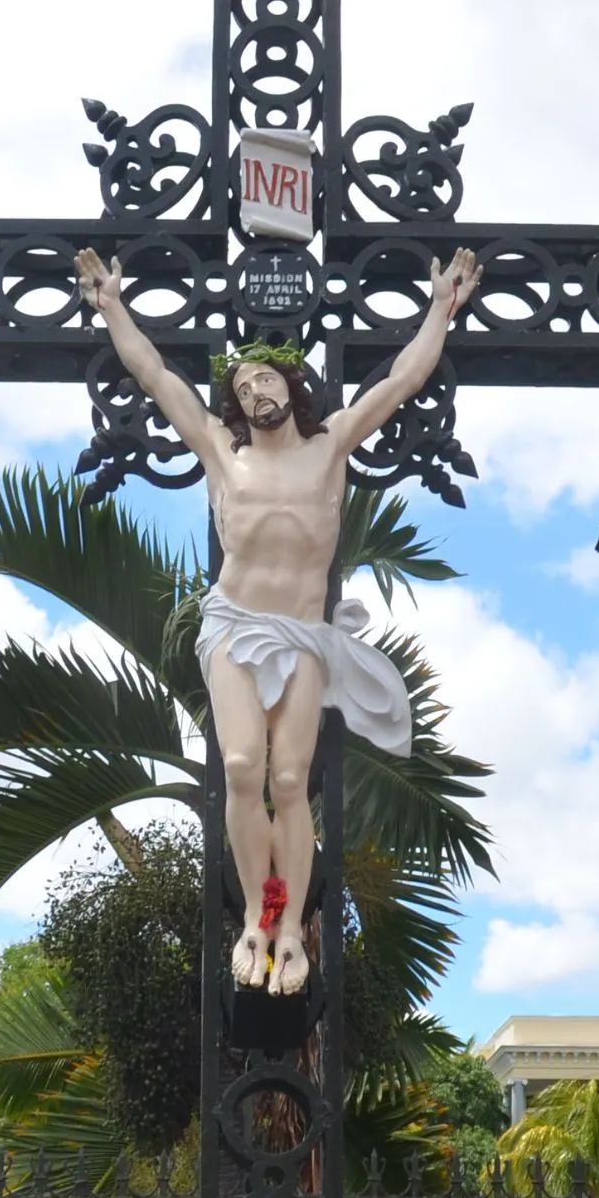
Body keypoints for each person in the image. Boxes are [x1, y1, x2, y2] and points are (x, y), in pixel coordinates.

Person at [73, 242, 481, 992]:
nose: (255, 388)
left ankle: (290, 927)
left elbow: (402, 380)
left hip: (303, 636)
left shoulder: (331, 449)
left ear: (292, 388)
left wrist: (440, 307)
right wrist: (112, 307)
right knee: (239, 767)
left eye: (266, 376)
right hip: (233, 625)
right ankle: (254, 922)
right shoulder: (223, 455)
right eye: (243, 382)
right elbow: (155, 376)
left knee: (289, 780)